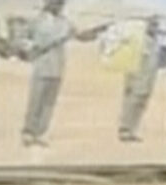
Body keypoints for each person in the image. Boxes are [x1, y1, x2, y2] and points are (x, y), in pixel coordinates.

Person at [20, 0, 107, 149]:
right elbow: (23, 38)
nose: (58, 6)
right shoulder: (37, 20)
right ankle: (28, 132)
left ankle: (40, 133)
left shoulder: (65, 22)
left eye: (60, 3)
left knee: (49, 103)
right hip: (41, 65)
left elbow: (80, 36)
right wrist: (32, 47)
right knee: (36, 100)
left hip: (57, 67)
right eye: (55, 3)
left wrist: (97, 31)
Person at [116, 17, 166, 143]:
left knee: (141, 105)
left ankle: (133, 130)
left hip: (149, 79)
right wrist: (129, 81)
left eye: (156, 26)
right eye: (152, 25)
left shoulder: (156, 43)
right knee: (131, 104)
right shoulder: (139, 40)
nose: (154, 28)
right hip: (136, 78)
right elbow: (130, 61)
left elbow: (156, 62)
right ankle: (124, 129)